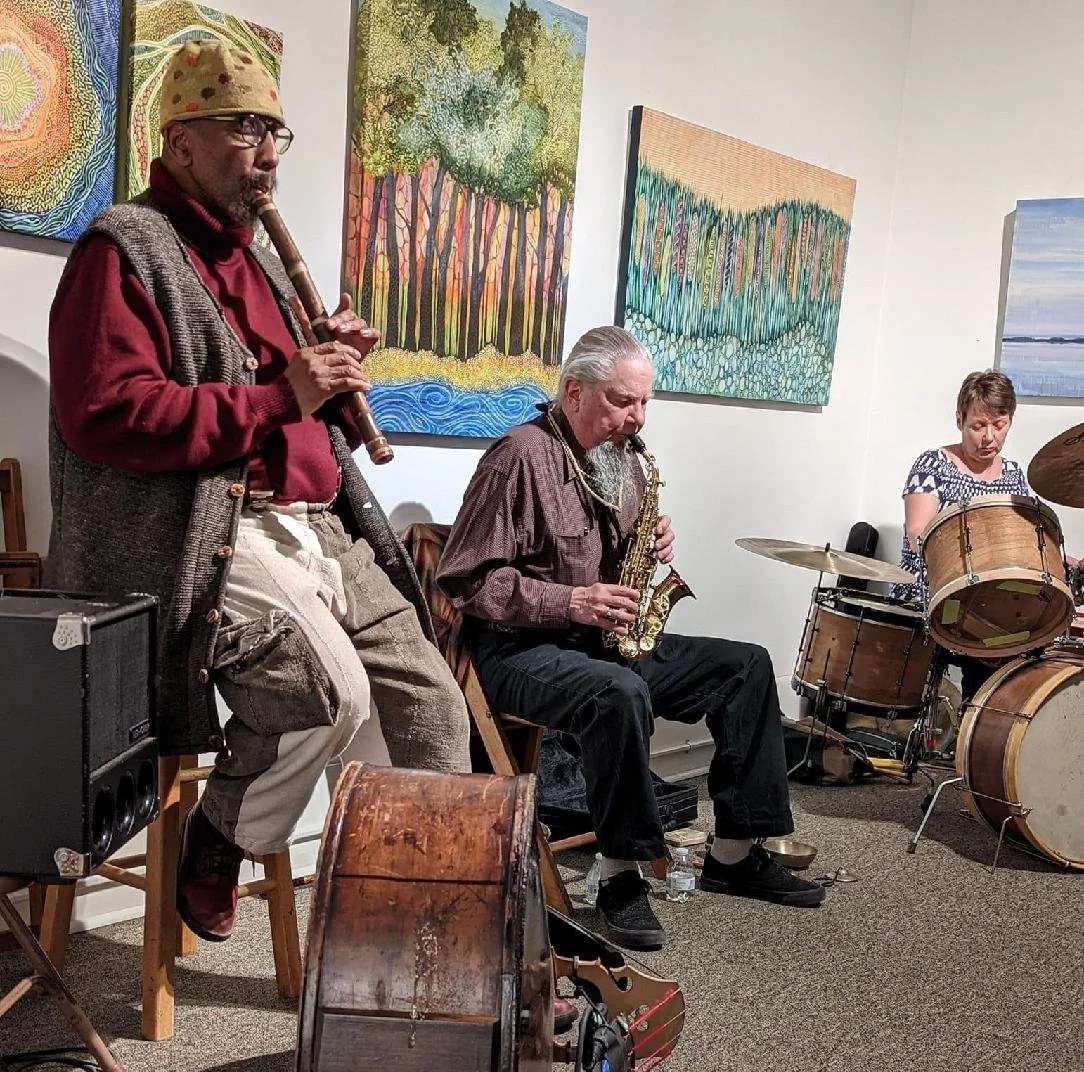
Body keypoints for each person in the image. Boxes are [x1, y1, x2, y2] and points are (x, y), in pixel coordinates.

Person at [45, 39, 471, 942]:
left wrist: (330, 375)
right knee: (327, 694)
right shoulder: (123, 250)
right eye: (245, 129)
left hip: (319, 526)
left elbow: (298, 412)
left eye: (276, 132)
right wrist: (284, 394)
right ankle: (222, 835)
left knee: (433, 707)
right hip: (210, 532)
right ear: (181, 140)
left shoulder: (262, 261)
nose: (269, 152)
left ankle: (401, 932)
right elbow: (106, 415)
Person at [436, 325, 824, 951]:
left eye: (644, 402)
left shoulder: (626, 461)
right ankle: (619, 872)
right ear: (574, 392)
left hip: (603, 641)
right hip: (518, 651)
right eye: (622, 401)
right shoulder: (518, 458)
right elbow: (464, 579)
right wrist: (572, 600)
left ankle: (733, 853)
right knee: (617, 693)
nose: (637, 418)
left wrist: (652, 539)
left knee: (746, 666)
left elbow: (617, 561)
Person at [892, 369, 1074, 700]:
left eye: (999, 425)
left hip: (989, 602)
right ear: (959, 420)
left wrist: (1062, 561)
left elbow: (1027, 545)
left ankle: (988, 720)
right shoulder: (933, 465)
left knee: (1028, 635)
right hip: (933, 596)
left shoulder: (1013, 475)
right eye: (978, 426)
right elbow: (918, 534)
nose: (989, 436)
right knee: (987, 635)